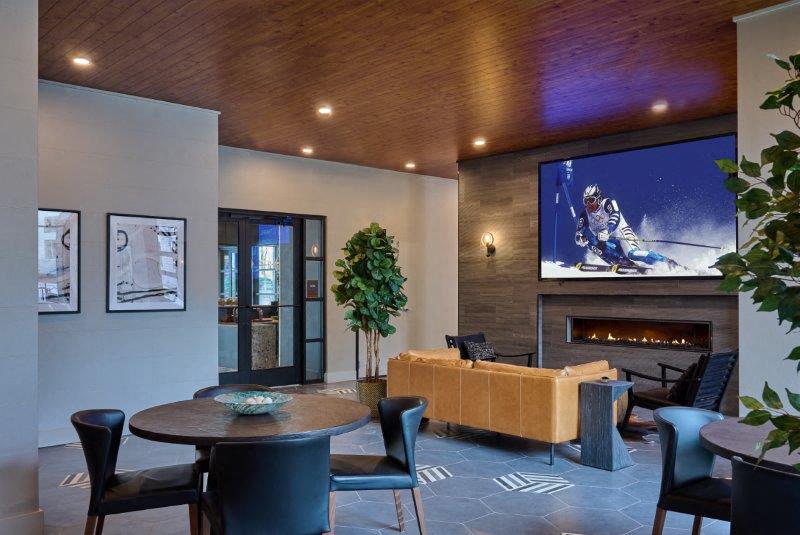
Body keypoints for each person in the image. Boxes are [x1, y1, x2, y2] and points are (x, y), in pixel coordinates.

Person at [574, 184, 678, 270]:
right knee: (591, 241)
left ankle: (667, 262)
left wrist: (607, 230)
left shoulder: (607, 203)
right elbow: (578, 233)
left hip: (621, 233)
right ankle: (623, 263)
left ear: (598, 198)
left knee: (633, 254)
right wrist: (580, 239)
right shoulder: (585, 215)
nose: (588, 204)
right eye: (585, 201)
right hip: (608, 241)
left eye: (591, 200)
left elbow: (615, 216)